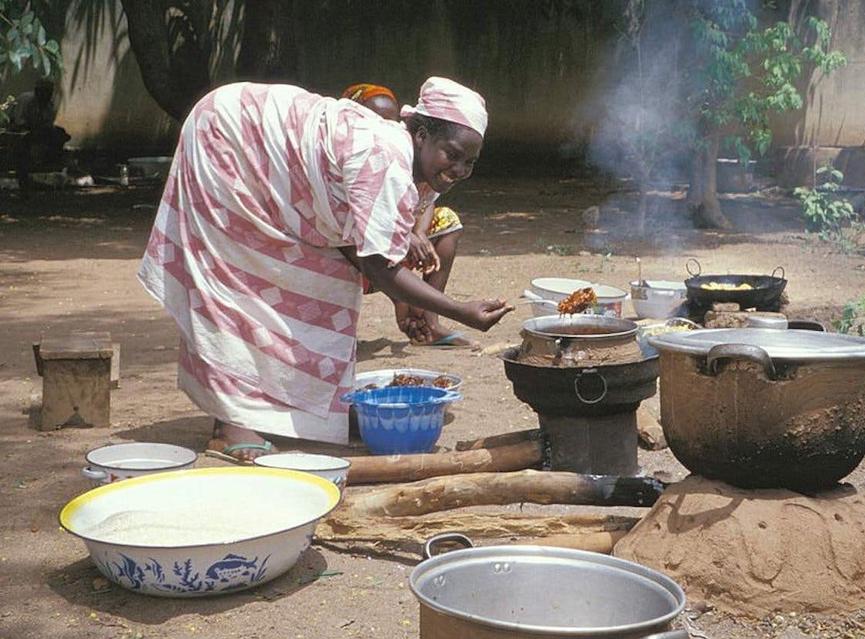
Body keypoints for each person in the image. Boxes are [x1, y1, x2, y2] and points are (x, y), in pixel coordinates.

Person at [138, 77, 512, 461]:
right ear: (420, 134)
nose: (461, 169)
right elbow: (377, 266)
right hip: (228, 138)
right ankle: (229, 424)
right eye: (453, 155)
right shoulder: (382, 159)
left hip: (268, 167)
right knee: (241, 282)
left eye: (470, 162)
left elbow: (356, 246)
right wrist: (458, 311)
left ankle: (298, 406)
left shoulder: (420, 174)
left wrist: (407, 299)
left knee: (318, 284)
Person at [342, 81, 473, 346]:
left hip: (396, 247)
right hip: (357, 251)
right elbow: (360, 225)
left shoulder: (416, 162)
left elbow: (428, 203)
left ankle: (429, 322)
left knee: (448, 221)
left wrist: (419, 232)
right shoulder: (355, 157)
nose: (386, 129)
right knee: (346, 236)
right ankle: (400, 299)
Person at [10, 78, 70, 198]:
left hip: (37, 133)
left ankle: (48, 161)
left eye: (49, 92)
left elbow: (48, 125)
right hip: (18, 132)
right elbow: (18, 123)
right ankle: (25, 181)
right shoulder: (26, 100)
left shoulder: (49, 106)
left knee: (61, 133)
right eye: (44, 92)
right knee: (22, 146)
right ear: (38, 91)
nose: (47, 95)